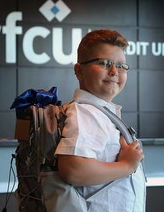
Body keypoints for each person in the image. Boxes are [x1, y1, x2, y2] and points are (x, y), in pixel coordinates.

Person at [55, 29, 146, 211]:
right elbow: (73, 169)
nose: (114, 71)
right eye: (104, 63)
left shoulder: (100, 112)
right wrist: (126, 165)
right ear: (79, 71)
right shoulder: (86, 112)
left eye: (121, 66)